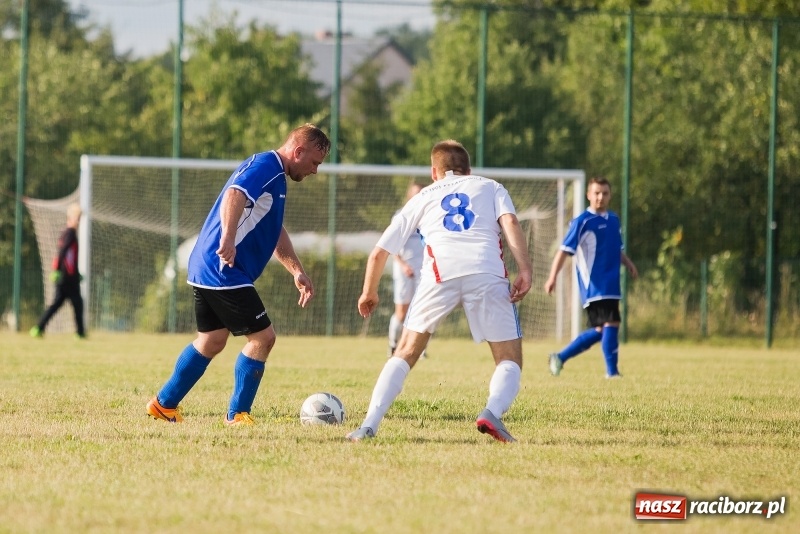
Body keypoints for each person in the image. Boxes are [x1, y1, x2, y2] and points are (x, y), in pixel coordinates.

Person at [347, 139, 533, 443]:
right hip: (486, 270)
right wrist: (525, 270)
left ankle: (369, 424)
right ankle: (492, 413)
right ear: (468, 170)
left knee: (405, 352)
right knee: (509, 359)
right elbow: (510, 221)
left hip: (438, 274)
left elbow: (379, 251)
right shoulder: (491, 186)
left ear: (435, 172)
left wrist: (369, 291)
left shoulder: (423, 196)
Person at [146, 123, 331, 426]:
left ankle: (164, 405)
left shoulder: (275, 174)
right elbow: (235, 194)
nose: (315, 171)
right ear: (298, 151)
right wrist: (228, 239)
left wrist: (296, 270)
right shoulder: (266, 166)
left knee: (211, 340)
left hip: (208, 266)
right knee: (263, 338)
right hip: (224, 270)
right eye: (314, 162)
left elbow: (273, 230)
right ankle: (238, 415)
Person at [543, 176, 638, 378]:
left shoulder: (613, 220)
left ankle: (559, 357)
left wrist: (628, 264)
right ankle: (612, 373)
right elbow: (563, 251)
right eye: (596, 193)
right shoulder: (582, 222)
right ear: (588, 195)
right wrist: (552, 277)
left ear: (610, 195)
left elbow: (616, 249)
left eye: (604, 193)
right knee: (611, 324)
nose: (600, 197)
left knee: (601, 331)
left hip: (612, 284)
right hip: (595, 286)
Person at [30, 203, 86, 339]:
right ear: (70, 218)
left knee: (61, 304)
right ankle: (80, 333)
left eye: (79, 218)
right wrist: (57, 270)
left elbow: (70, 257)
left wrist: (77, 273)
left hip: (69, 276)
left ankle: (39, 328)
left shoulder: (67, 233)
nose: (78, 221)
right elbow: (62, 252)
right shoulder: (70, 234)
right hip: (67, 277)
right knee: (76, 304)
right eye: (76, 218)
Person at [388, 181, 427, 358]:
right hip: (404, 271)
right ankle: (393, 345)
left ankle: (420, 349)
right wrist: (403, 265)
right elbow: (391, 245)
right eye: (415, 193)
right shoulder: (400, 215)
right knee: (402, 312)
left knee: (422, 310)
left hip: (424, 270)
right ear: (409, 195)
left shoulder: (428, 215)